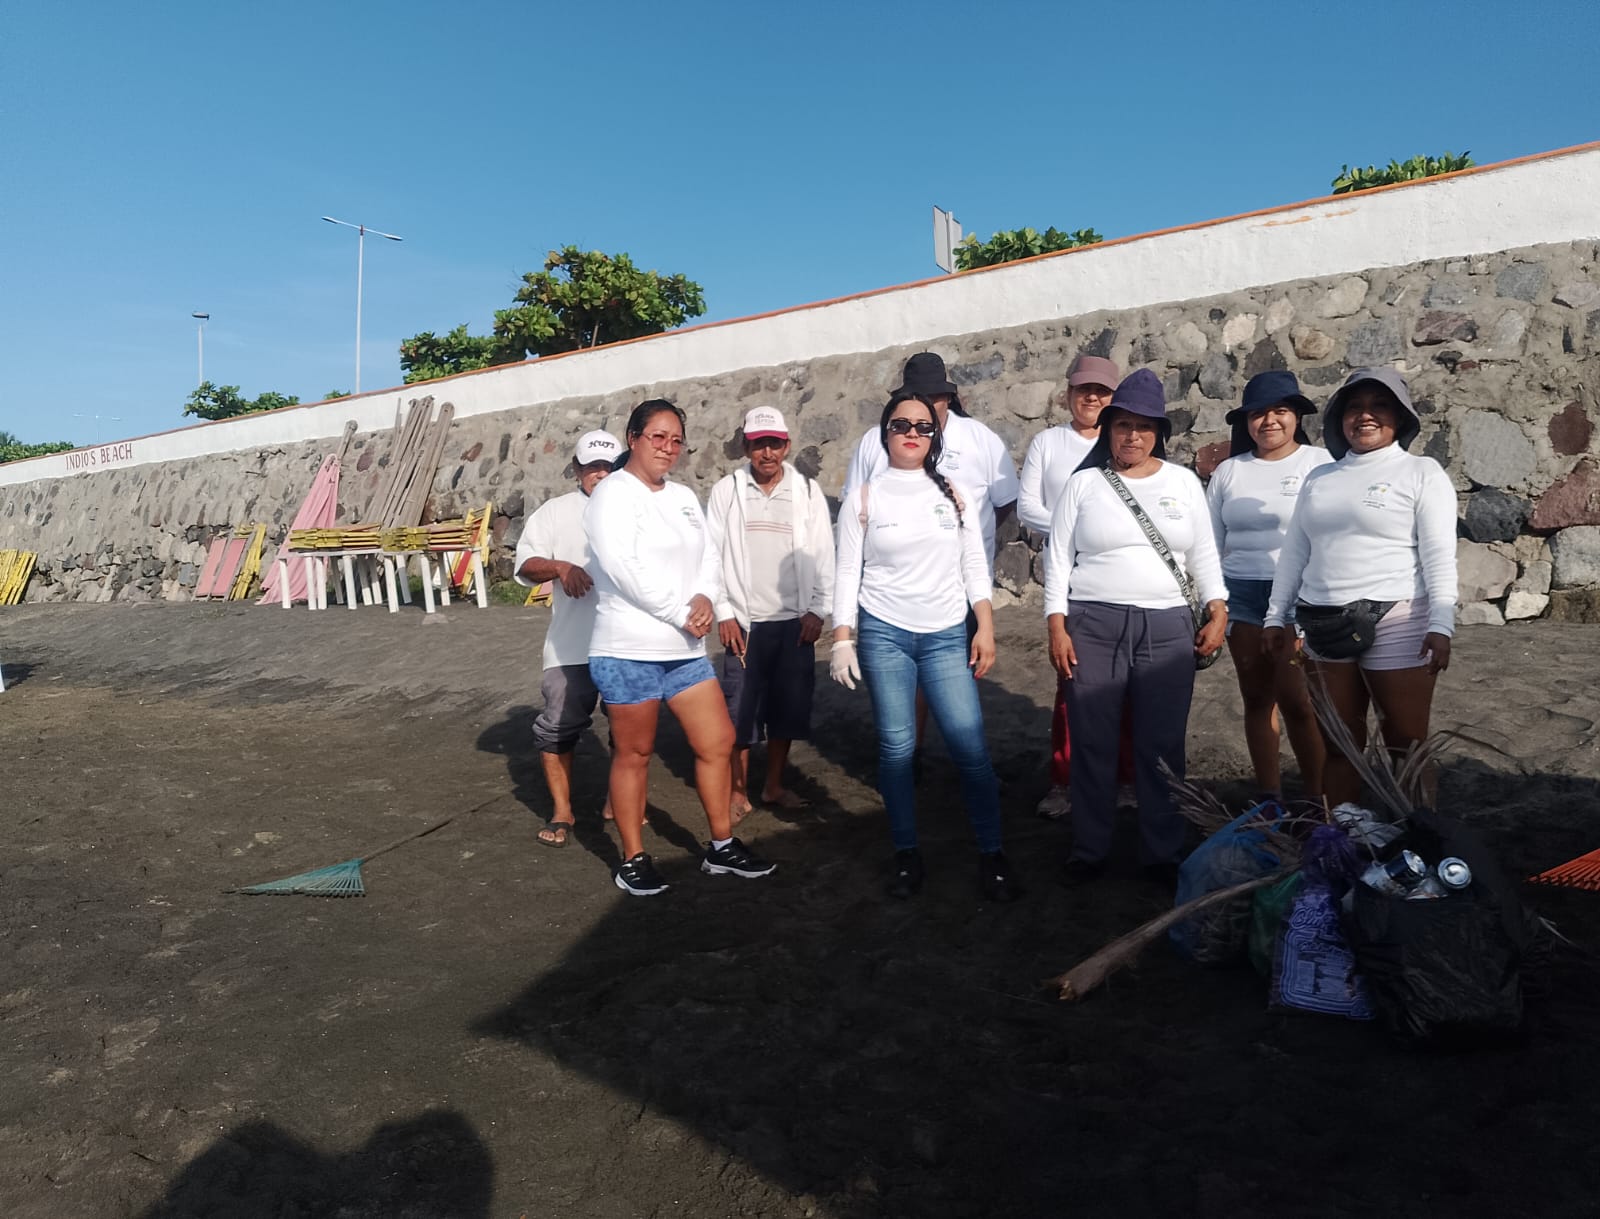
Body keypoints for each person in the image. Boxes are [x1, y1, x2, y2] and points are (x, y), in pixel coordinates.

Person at [584, 399, 776, 896]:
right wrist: (680, 612)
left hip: (684, 651)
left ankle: (721, 846)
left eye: (676, 440)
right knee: (635, 753)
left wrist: (706, 597)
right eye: (658, 437)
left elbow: (709, 555)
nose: (668, 448)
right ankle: (632, 858)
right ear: (633, 438)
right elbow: (623, 567)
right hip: (628, 649)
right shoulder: (612, 494)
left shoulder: (685, 497)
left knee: (716, 742)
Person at [831, 391, 1017, 902]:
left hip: (945, 634)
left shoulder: (954, 493)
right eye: (901, 425)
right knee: (896, 750)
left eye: (923, 426)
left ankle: (992, 853)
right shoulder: (865, 497)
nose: (912, 433)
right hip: (884, 633)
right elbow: (846, 570)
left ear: (935, 436)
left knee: (970, 748)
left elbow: (974, 564)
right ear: (884, 433)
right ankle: (907, 854)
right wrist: (842, 637)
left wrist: (985, 626)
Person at [1044, 369, 1227, 884]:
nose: (1132, 436)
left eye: (1144, 426)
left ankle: (1161, 852)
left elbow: (1203, 552)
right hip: (1093, 624)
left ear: (1159, 432)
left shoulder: (1183, 483)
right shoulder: (1084, 484)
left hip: (1168, 626)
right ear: (1107, 429)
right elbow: (1057, 558)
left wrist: (1218, 607)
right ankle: (1089, 848)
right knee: (1092, 739)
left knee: (1162, 743)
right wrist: (1056, 625)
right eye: (1122, 424)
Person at [1263, 368, 1456, 807]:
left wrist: (1442, 624)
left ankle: (1418, 834)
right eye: (1355, 407)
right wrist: (1276, 616)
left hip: (1397, 617)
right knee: (1339, 743)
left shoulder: (1421, 472)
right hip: (1322, 620)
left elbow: (1439, 554)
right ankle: (1345, 833)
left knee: (1405, 742)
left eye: (1379, 405)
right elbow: (1295, 552)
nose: (1365, 415)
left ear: (1400, 417)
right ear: (1340, 418)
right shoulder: (1319, 477)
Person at [840, 351, 1019, 774]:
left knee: (959, 684)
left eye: (934, 397)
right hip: (892, 590)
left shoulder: (979, 439)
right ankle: (912, 755)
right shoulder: (874, 441)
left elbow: (1005, 501)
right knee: (904, 687)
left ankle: (965, 763)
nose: (925, 407)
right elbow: (855, 508)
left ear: (948, 398)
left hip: (958, 588)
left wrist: (960, 539)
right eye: (916, 396)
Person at [1017, 354, 1137, 820]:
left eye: (1102, 391)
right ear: (1068, 394)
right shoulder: (1048, 443)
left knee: (1128, 680)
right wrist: (1074, 529)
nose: (1092, 398)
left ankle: (1126, 777)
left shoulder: (1126, 441)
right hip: (1069, 575)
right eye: (1084, 389)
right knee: (1072, 677)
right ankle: (1066, 780)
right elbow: (1028, 506)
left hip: (1121, 573)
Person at [1206, 371, 1333, 801]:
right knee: (1257, 698)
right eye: (1258, 413)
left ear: (1297, 416)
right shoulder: (1229, 471)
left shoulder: (1319, 465)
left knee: (1298, 701)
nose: (1269, 421)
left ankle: (1318, 800)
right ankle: (1269, 798)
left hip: (1298, 596)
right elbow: (1211, 540)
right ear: (1246, 422)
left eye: (1280, 411)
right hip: (1241, 595)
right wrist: (1214, 599)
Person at [705, 406, 835, 823]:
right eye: (759, 444)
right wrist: (724, 612)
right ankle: (738, 791)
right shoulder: (726, 491)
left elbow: (824, 554)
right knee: (739, 710)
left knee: (786, 709)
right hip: (744, 623)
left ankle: (774, 785)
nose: (767, 453)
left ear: (787, 445)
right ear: (746, 447)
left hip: (794, 623)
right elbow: (711, 555)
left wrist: (818, 610)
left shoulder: (807, 491)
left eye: (774, 444)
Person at [513, 430, 622, 846]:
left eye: (608, 466)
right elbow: (525, 564)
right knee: (557, 726)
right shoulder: (555, 512)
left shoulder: (637, 508)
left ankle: (618, 801)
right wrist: (561, 567)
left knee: (628, 728)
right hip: (571, 645)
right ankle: (562, 811)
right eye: (592, 466)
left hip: (627, 643)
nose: (600, 473)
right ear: (576, 469)